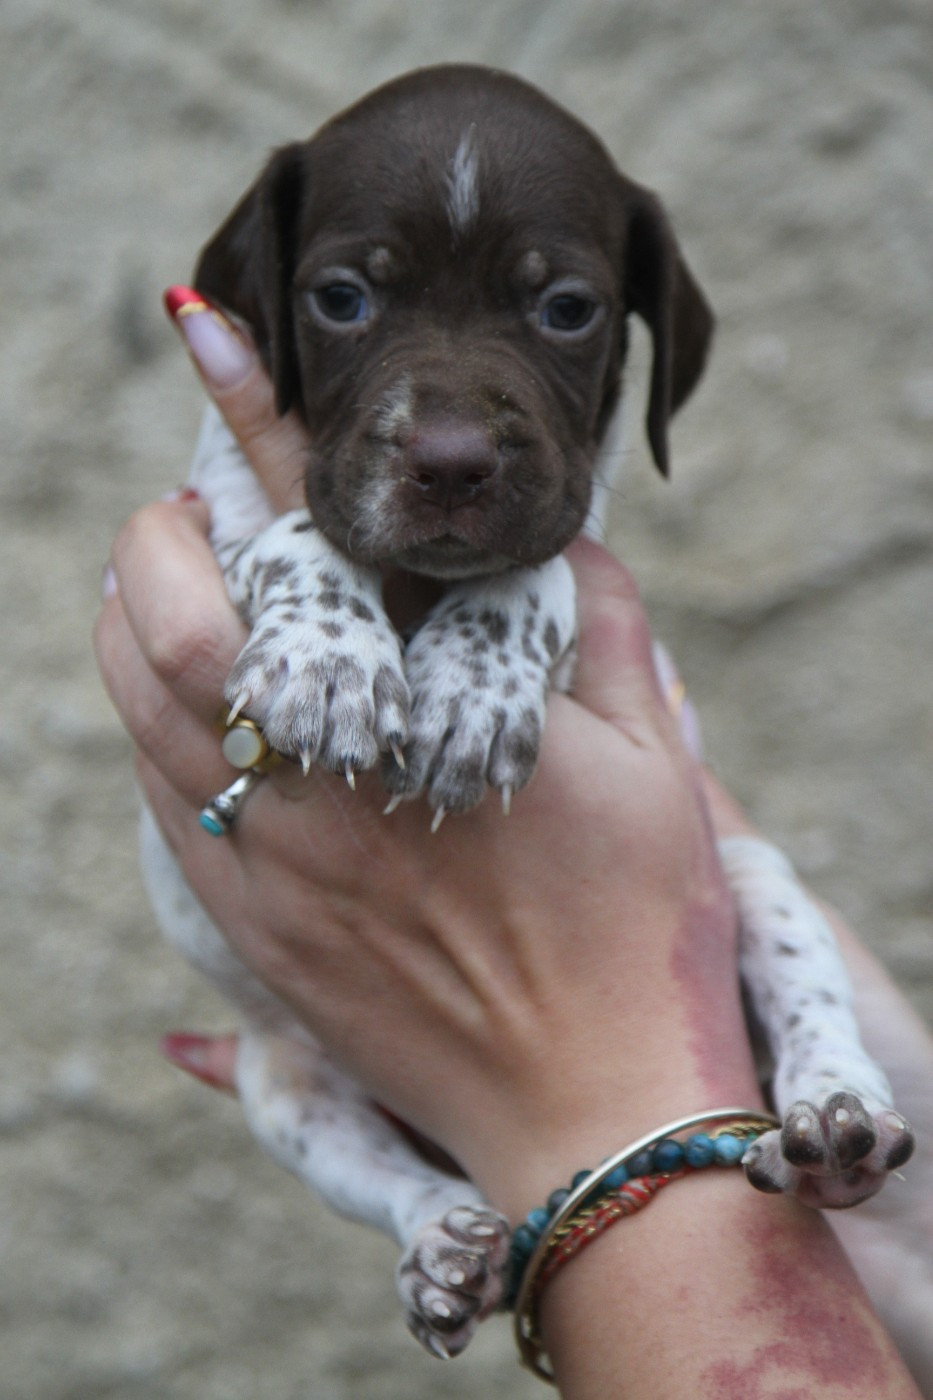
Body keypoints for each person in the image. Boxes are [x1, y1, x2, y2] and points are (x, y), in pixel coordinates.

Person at [94, 298, 930, 1398]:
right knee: (278, 1079)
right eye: (345, 301)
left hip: (684, 1089)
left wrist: (588, 1102)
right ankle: (424, 1208)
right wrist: (913, 1247)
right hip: (424, 1090)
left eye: (565, 312)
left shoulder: (550, 569)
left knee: (754, 878)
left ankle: (834, 1078)